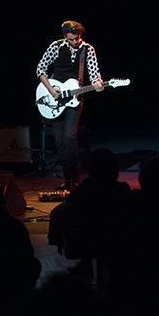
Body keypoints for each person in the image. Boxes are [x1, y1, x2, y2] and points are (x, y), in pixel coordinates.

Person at [36, 20, 103, 190]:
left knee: (69, 135)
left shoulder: (88, 49)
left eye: (77, 38)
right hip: (56, 99)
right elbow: (40, 69)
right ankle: (67, 179)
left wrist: (98, 83)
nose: (75, 42)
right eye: (71, 39)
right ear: (65, 37)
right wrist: (51, 90)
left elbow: (94, 73)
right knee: (59, 139)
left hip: (75, 99)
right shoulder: (56, 47)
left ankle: (75, 178)